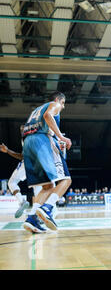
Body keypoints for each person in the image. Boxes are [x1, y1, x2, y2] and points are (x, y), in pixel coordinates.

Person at [22, 91, 72, 233]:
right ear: (57, 100)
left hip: (27, 143)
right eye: (63, 103)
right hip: (41, 141)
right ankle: (47, 208)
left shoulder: (35, 110)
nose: (62, 107)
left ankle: (32, 218)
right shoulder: (53, 104)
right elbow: (48, 116)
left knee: (47, 186)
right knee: (66, 180)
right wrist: (61, 137)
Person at [0, 126, 43, 218]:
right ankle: (38, 215)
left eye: (23, 128)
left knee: (12, 182)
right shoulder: (39, 138)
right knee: (38, 191)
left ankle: (22, 201)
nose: (21, 130)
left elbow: (22, 156)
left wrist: (7, 151)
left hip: (28, 163)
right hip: (40, 165)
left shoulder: (27, 139)